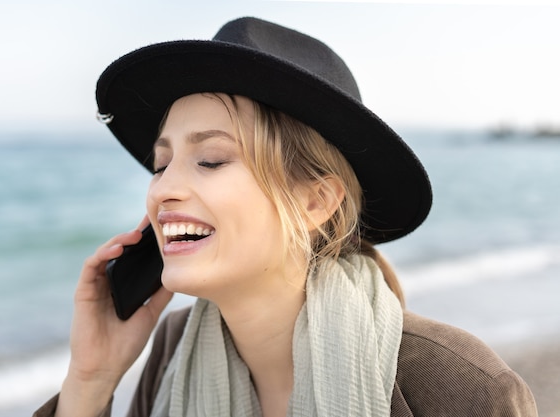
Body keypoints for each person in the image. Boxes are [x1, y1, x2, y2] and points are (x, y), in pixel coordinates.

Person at [34, 17, 537, 417]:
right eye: (162, 164)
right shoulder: (172, 350)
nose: (162, 188)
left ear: (317, 202)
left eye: (210, 160)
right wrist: (91, 379)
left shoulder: (454, 386)